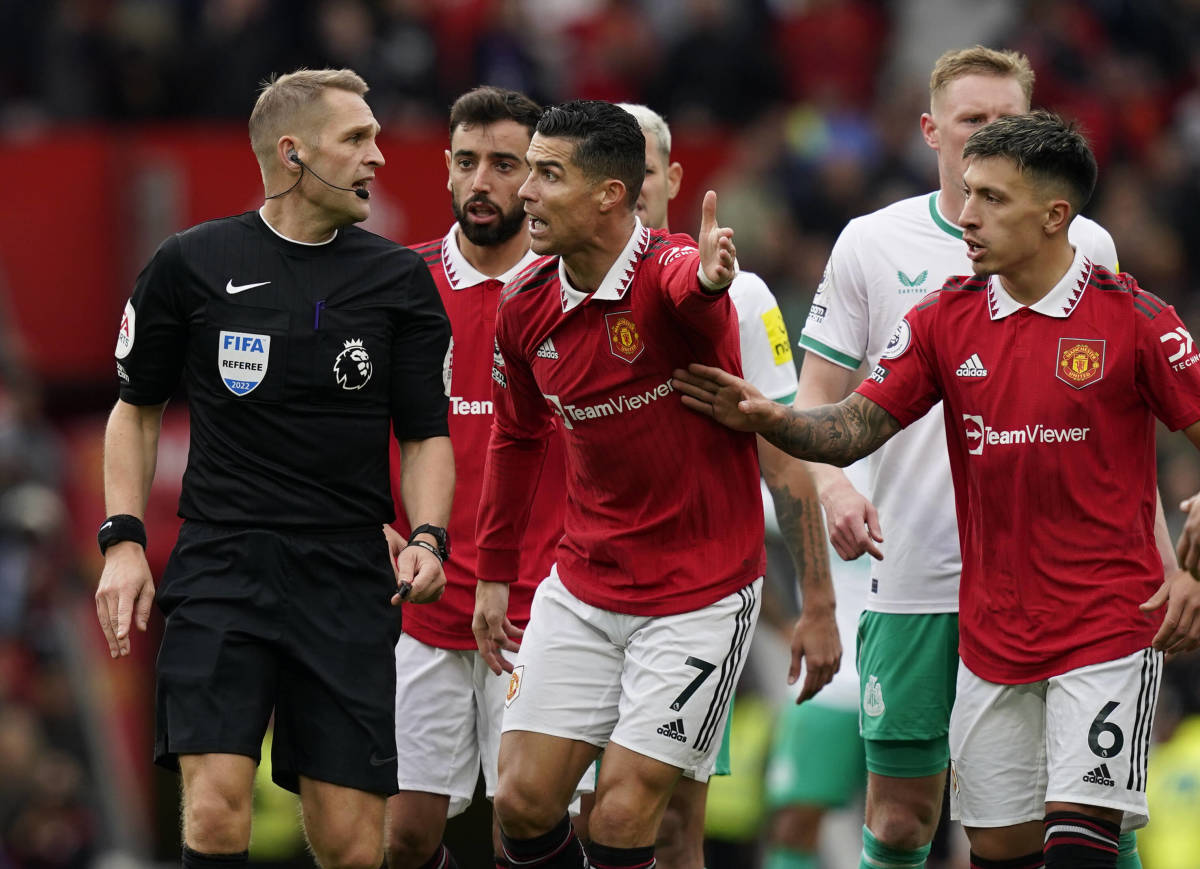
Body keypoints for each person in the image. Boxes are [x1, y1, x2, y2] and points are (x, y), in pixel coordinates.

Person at [672, 110, 1200, 868]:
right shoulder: (944, 318)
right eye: (967, 193)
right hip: (992, 637)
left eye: (991, 198)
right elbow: (854, 425)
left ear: (1055, 216)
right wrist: (768, 418)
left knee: (1082, 843)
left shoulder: (1136, 319)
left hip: (1106, 628)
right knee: (999, 852)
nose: (968, 215)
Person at [789, 45, 1151, 869]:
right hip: (915, 570)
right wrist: (834, 487)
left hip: (1064, 575)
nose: (990, 134)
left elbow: (1122, 418)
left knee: (1087, 809)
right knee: (904, 816)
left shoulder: (1086, 241)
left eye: (1007, 120)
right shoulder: (872, 242)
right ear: (930, 131)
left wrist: (1157, 563)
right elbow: (815, 398)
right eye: (972, 121)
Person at [93, 68, 454, 869]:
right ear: (293, 154)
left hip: (347, 574)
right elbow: (135, 406)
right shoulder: (189, 263)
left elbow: (428, 433)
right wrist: (122, 541)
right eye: (357, 139)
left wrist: (429, 535)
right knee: (218, 810)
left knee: (353, 843)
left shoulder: (398, 282)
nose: (379, 158)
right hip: (224, 562)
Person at [472, 100, 761, 869]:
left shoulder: (668, 269)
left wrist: (709, 280)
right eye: (527, 170)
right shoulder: (524, 304)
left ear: (608, 194)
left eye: (546, 173)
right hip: (587, 583)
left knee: (628, 813)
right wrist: (494, 572)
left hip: (699, 595)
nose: (523, 191)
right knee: (522, 804)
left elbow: (688, 294)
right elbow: (516, 436)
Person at [613, 101, 839, 869]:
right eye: (603, 172)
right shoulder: (545, 293)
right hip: (573, 594)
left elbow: (782, 456)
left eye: (639, 171)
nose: (622, 190)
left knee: (673, 826)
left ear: (672, 176)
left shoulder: (740, 297)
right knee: (557, 813)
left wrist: (817, 601)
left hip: (695, 599)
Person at [384, 85, 579, 869]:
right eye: (467, 162)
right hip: (424, 605)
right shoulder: (396, 285)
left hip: (548, 607)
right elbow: (340, 429)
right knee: (401, 835)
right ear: (446, 170)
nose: (483, 182)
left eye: (505, 164)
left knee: (525, 827)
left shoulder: (578, 287)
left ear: (535, 178)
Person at [762, 465, 870, 869]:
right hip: (830, 682)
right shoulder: (824, 465)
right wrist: (782, 624)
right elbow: (734, 520)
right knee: (794, 823)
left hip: (916, 673)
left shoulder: (936, 456)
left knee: (907, 826)